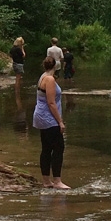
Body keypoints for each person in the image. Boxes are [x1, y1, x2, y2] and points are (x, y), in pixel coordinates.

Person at [33, 56, 68, 190]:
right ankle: (57, 181)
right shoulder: (50, 79)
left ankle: (46, 181)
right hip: (48, 118)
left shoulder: (43, 76)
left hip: (41, 116)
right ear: (56, 66)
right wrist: (60, 122)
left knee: (46, 148)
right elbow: (51, 103)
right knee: (59, 147)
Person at [9, 36, 26, 105]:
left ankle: (17, 91)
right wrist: (22, 49)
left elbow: (10, 54)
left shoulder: (12, 49)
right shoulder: (18, 49)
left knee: (17, 77)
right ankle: (17, 92)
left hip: (14, 63)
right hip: (19, 64)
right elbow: (24, 55)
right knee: (18, 78)